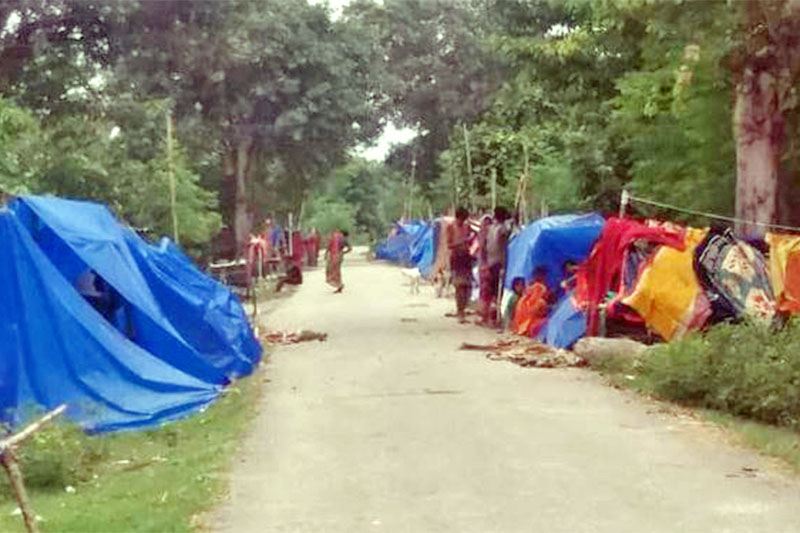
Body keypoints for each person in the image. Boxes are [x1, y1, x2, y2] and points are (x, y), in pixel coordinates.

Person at [484, 206, 512, 326]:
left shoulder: (490, 229)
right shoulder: (501, 229)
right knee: (497, 292)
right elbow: (507, 233)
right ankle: (495, 318)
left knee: (492, 291)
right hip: (499, 263)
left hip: (490, 262)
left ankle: (491, 317)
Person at [447, 207, 473, 323]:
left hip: (466, 257)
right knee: (459, 286)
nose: (462, 222)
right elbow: (449, 244)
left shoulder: (467, 227)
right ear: (458, 218)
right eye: (461, 219)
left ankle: (463, 309)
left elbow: (471, 241)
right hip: (456, 257)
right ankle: (460, 312)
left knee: (467, 286)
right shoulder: (450, 227)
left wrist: (469, 241)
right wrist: (463, 242)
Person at [511, 267, 551, 337]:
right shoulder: (539, 289)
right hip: (528, 326)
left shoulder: (527, 292)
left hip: (519, 326)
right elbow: (537, 309)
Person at [326, 228, 352, 293]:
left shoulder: (336, 238)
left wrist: (326, 254)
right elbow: (350, 248)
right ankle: (339, 285)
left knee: (332, 270)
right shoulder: (344, 239)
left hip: (334, 255)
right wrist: (343, 252)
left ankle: (339, 285)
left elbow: (329, 247)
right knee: (337, 271)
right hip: (340, 255)